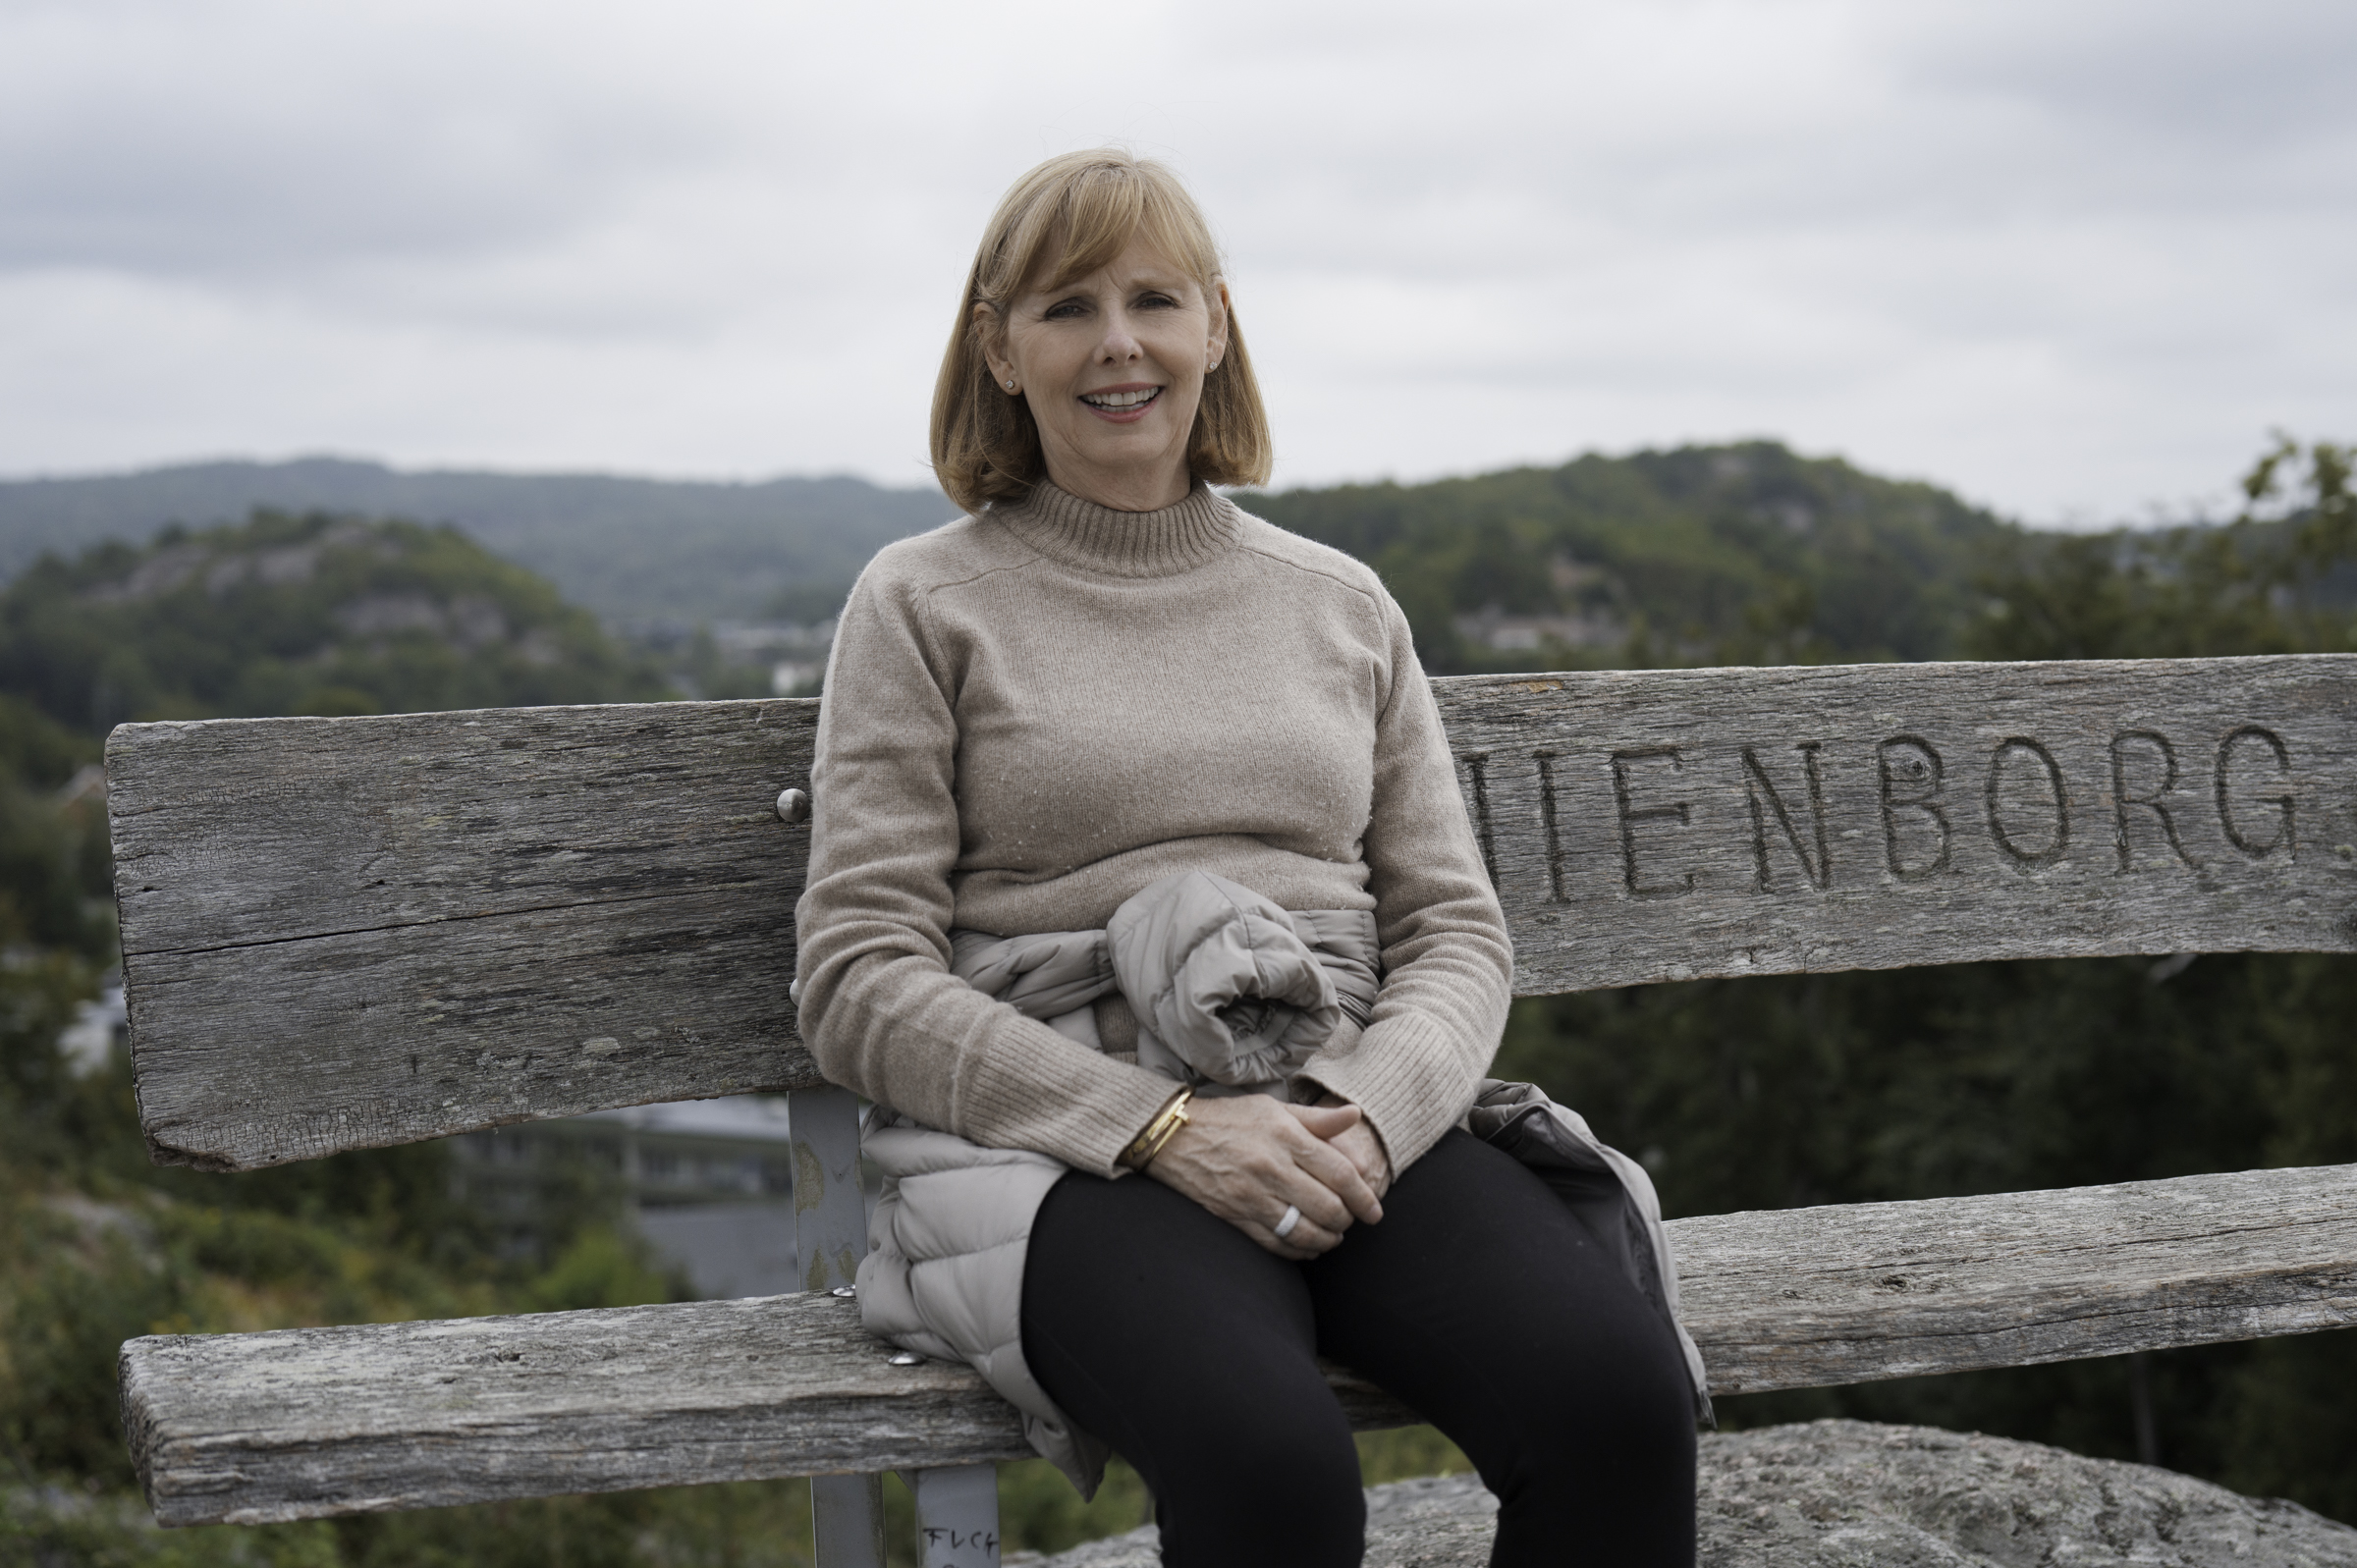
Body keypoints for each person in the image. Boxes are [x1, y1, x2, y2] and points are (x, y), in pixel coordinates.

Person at [793, 148, 1699, 1568]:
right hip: (1066, 1142)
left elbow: (1457, 931)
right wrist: (1163, 1129)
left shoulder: (1339, 604)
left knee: (1620, 1403)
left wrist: (1359, 1109)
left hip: (1339, 1107)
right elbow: (855, 978)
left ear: (1216, 327)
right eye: (1065, 306)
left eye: (1155, 299)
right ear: (999, 348)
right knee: (1270, 1463)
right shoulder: (921, 603)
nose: (1118, 344)